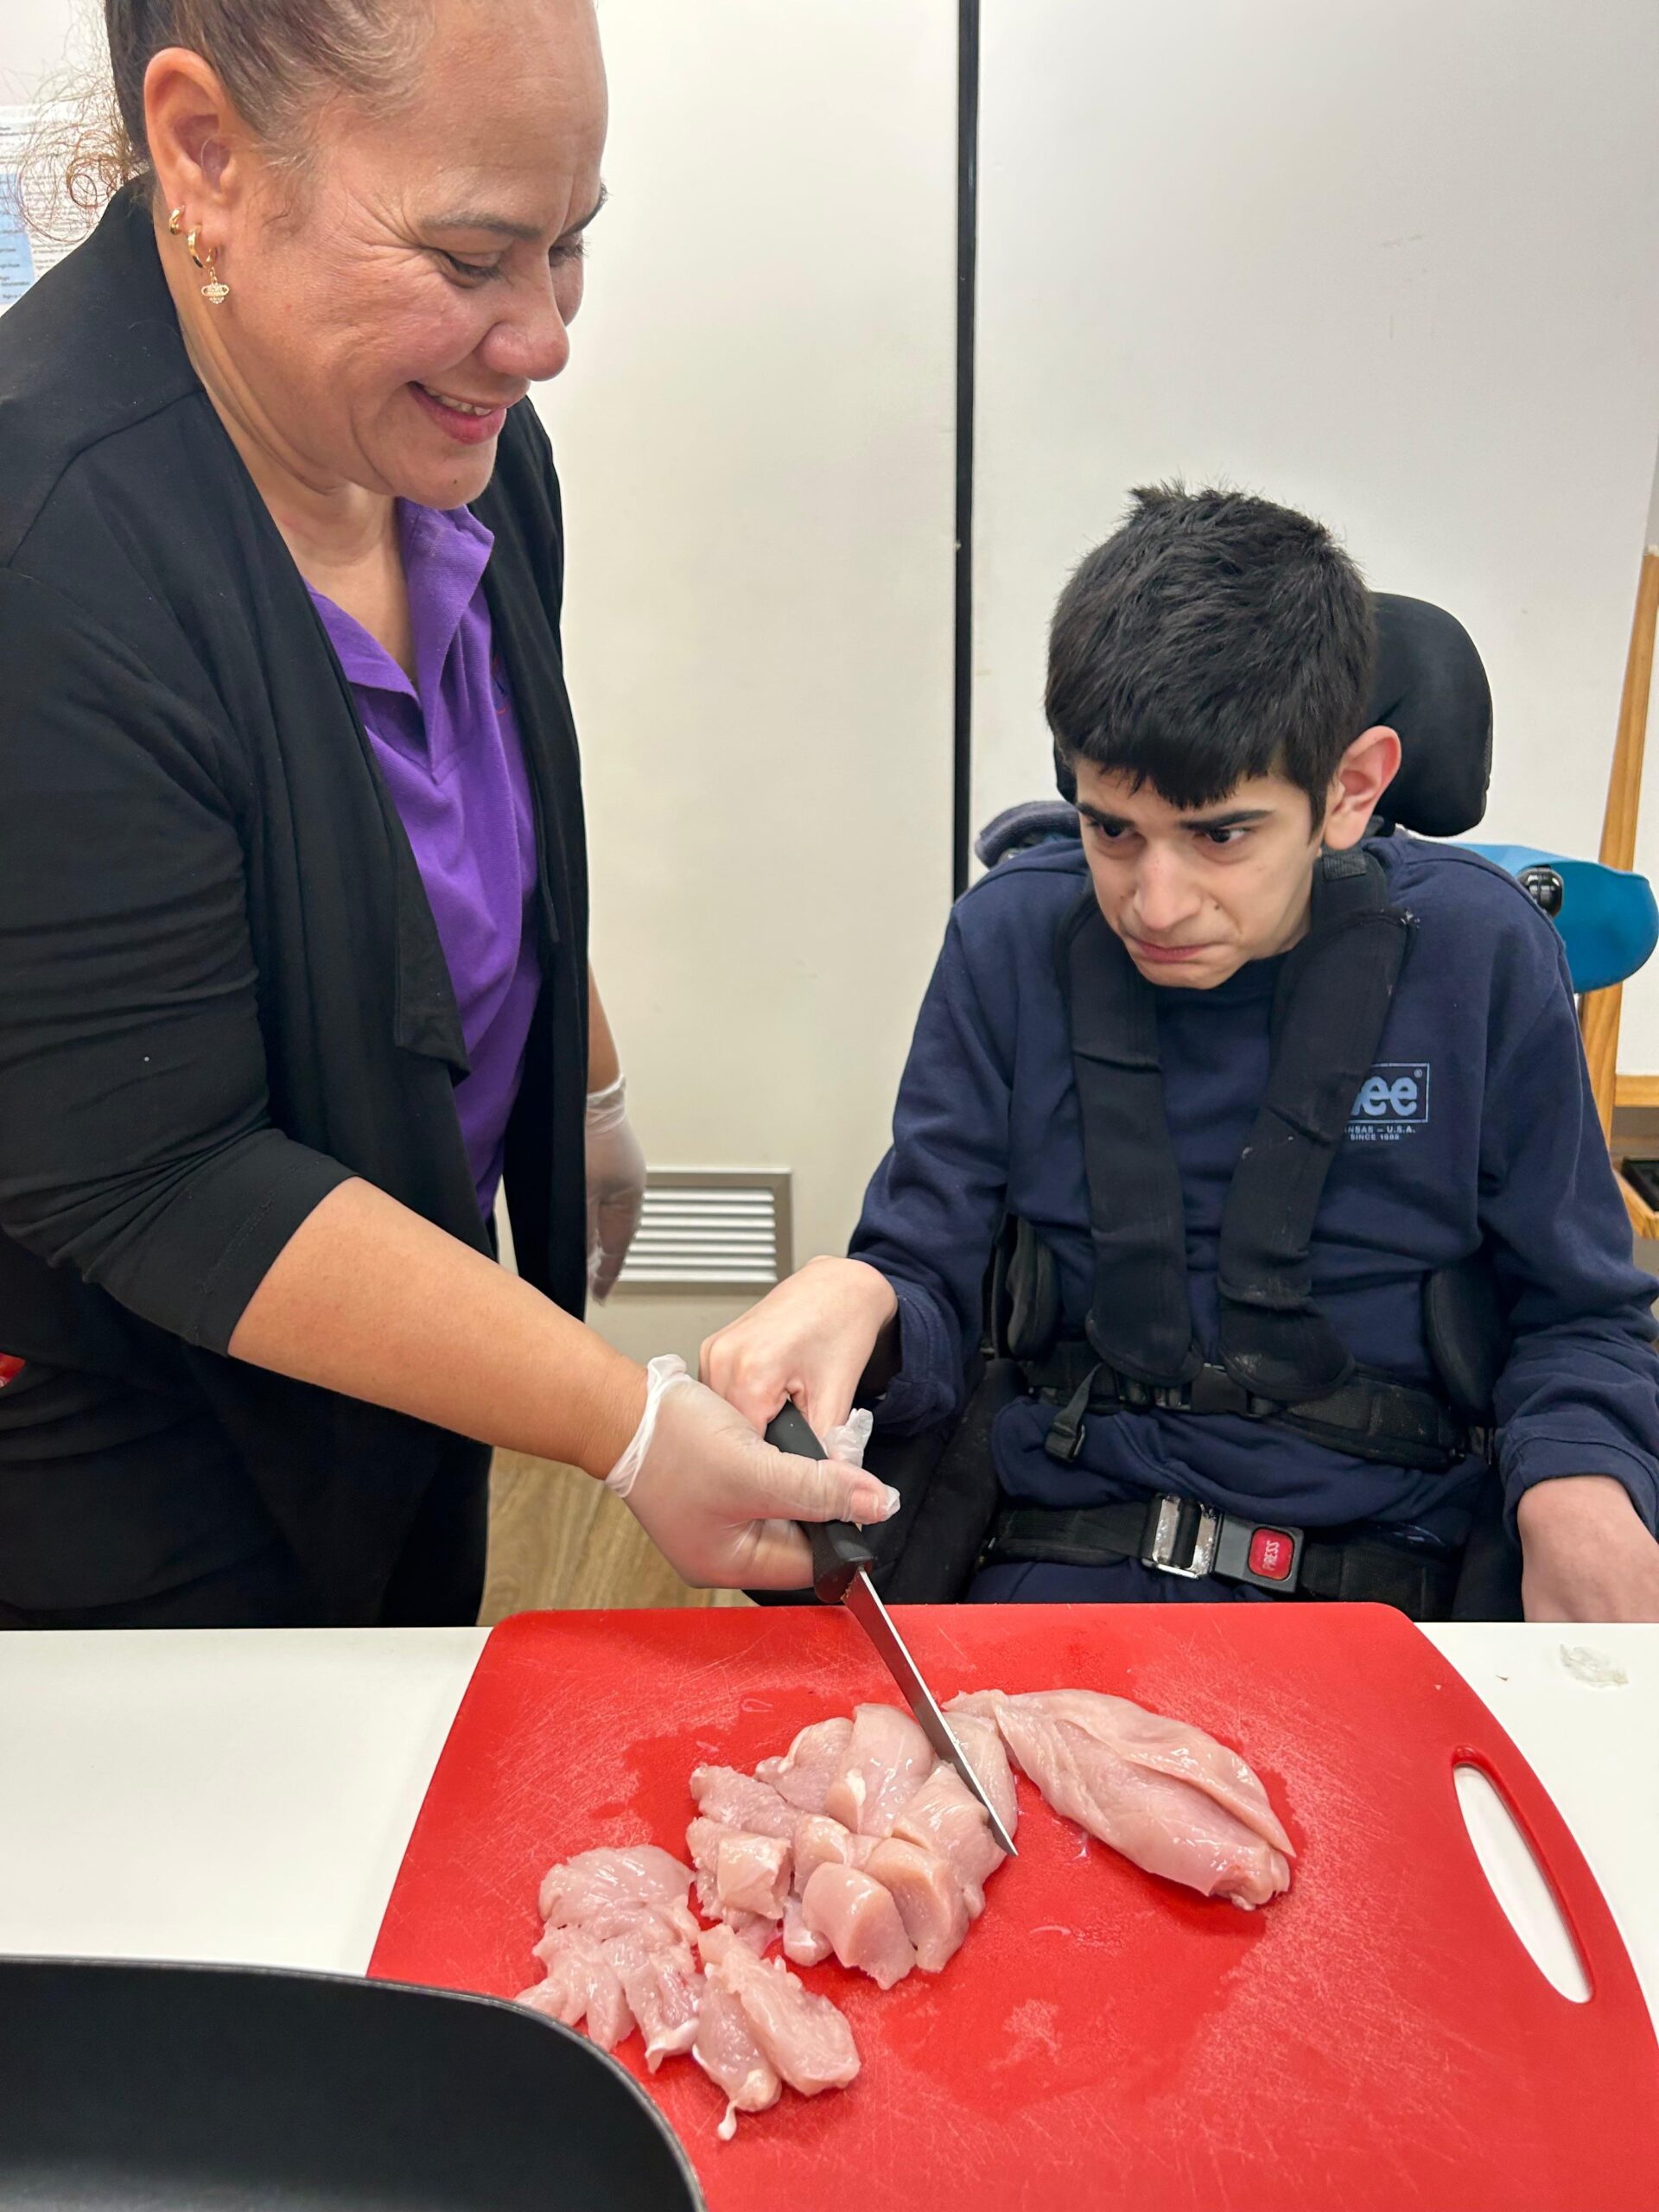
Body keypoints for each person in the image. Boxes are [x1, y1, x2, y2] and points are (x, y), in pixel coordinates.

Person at [0, 0, 896, 1629]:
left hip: (394, 1363)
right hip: (129, 1454)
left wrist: (591, 1078)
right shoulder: (51, 549)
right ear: (206, 151)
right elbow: (167, 1169)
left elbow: (470, 818)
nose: (545, 336)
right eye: (474, 255)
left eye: (569, 247)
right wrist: (625, 1428)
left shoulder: (455, 446)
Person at [703, 486, 1659, 1623]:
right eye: (1113, 829)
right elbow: (929, 1269)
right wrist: (857, 1290)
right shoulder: (1010, 938)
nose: (1157, 903)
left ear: (1350, 789)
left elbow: (1582, 1314)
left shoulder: (1481, 954)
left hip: (1387, 1587)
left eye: (1220, 835)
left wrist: (1581, 1487)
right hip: (1054, 1566)